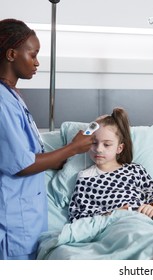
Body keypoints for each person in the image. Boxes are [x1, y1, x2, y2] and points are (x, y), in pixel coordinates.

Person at [0, 18, 94, 260]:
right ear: (11, 54)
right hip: (13, 219)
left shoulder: (12, 95)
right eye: (33, 54)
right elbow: (22, 164)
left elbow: (27, 152)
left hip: (27, 218)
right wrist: (72, 149)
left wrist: (58, 158)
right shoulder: (2, 101)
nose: (37, 62)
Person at [68, 107, 153, 223]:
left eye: (107, 144)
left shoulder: (135, 170)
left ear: (119, 148)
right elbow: (77, 216)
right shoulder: (86, 177)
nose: (99, 149)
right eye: (94, 143)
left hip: (149, 219)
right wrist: (112, 214)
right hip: (120, 224)